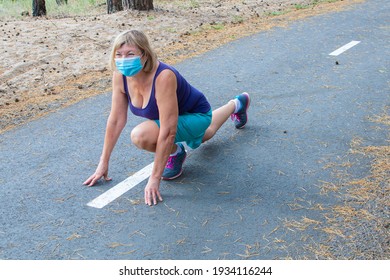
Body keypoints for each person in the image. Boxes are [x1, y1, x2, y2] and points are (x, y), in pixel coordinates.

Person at [83, 30, 250, 206]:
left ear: (145, 55)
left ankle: (176, 153)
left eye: (130, 54)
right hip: (177, 119)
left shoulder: (163, 76)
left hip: (196, 114)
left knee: (141, 135)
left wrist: (155, 178)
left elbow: (169, 131)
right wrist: (103, 162)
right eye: (119, 54)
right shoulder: (120, 76)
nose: (124, 60)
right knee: (203, 135)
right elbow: (116, 120)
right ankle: (237, 104)